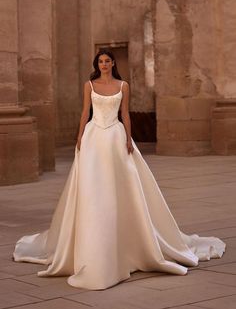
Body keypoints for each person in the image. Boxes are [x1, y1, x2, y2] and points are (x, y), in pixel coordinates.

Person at [13, 49, 226, 290]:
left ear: (113, 63)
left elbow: (125, 113)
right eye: (100, 61)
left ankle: (132, 241)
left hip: (115, 135)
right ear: (98, 64)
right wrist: (80, 136)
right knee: (93, 187)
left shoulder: (123, 85)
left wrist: (128, 138)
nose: (103, 64)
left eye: (107, 61)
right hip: (94, 136)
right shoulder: (89, 85)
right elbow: (86, 112)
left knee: (123, 185)